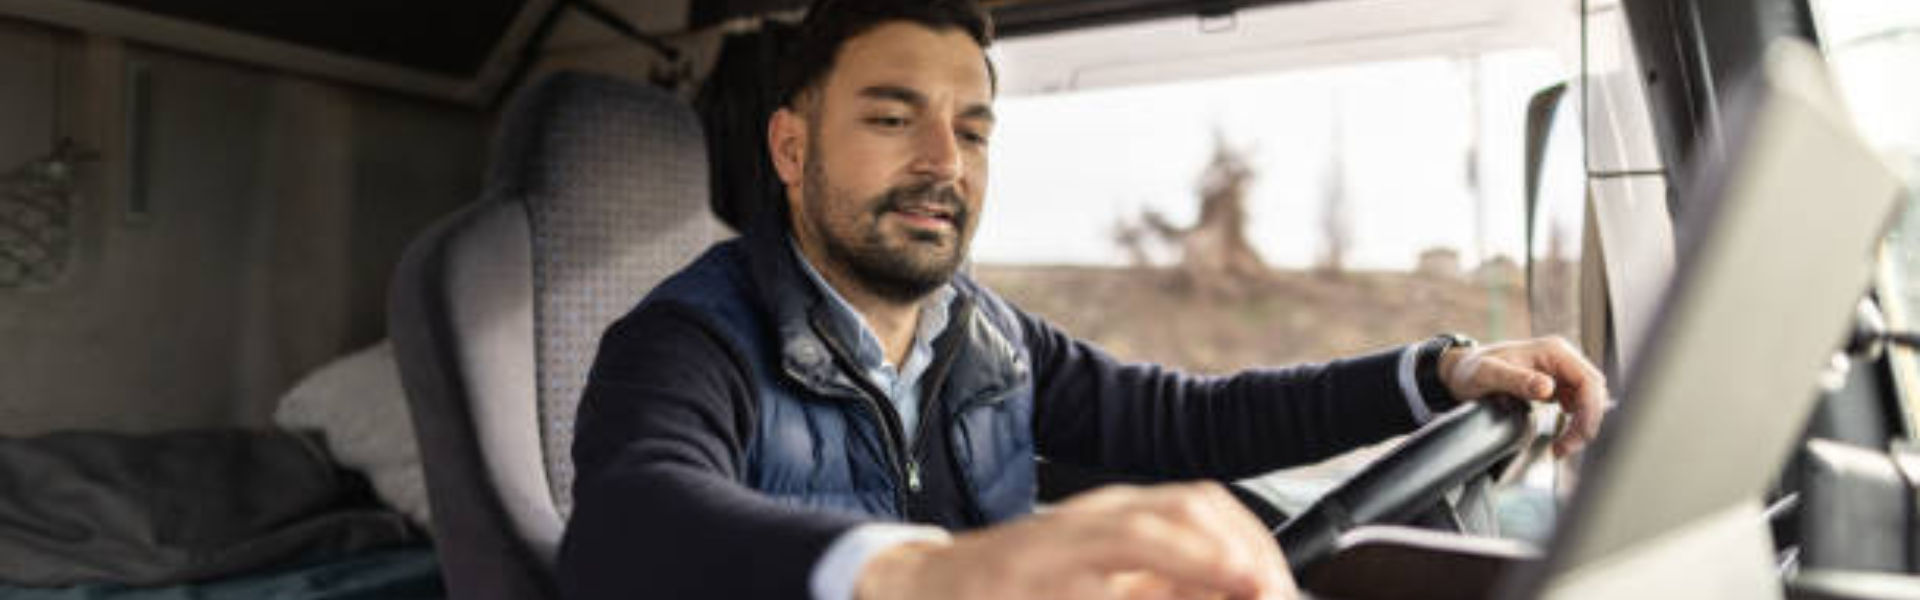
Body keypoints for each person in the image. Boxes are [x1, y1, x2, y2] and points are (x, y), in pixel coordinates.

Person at [556, 1, 1609, 598]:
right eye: (891, 119)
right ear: (790, 148)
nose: (943, 164)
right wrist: (927, 577)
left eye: (972, 130)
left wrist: (1439, 372)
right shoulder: (687, 339)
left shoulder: (987, 335)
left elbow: (1192, 418)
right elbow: (625, 524)